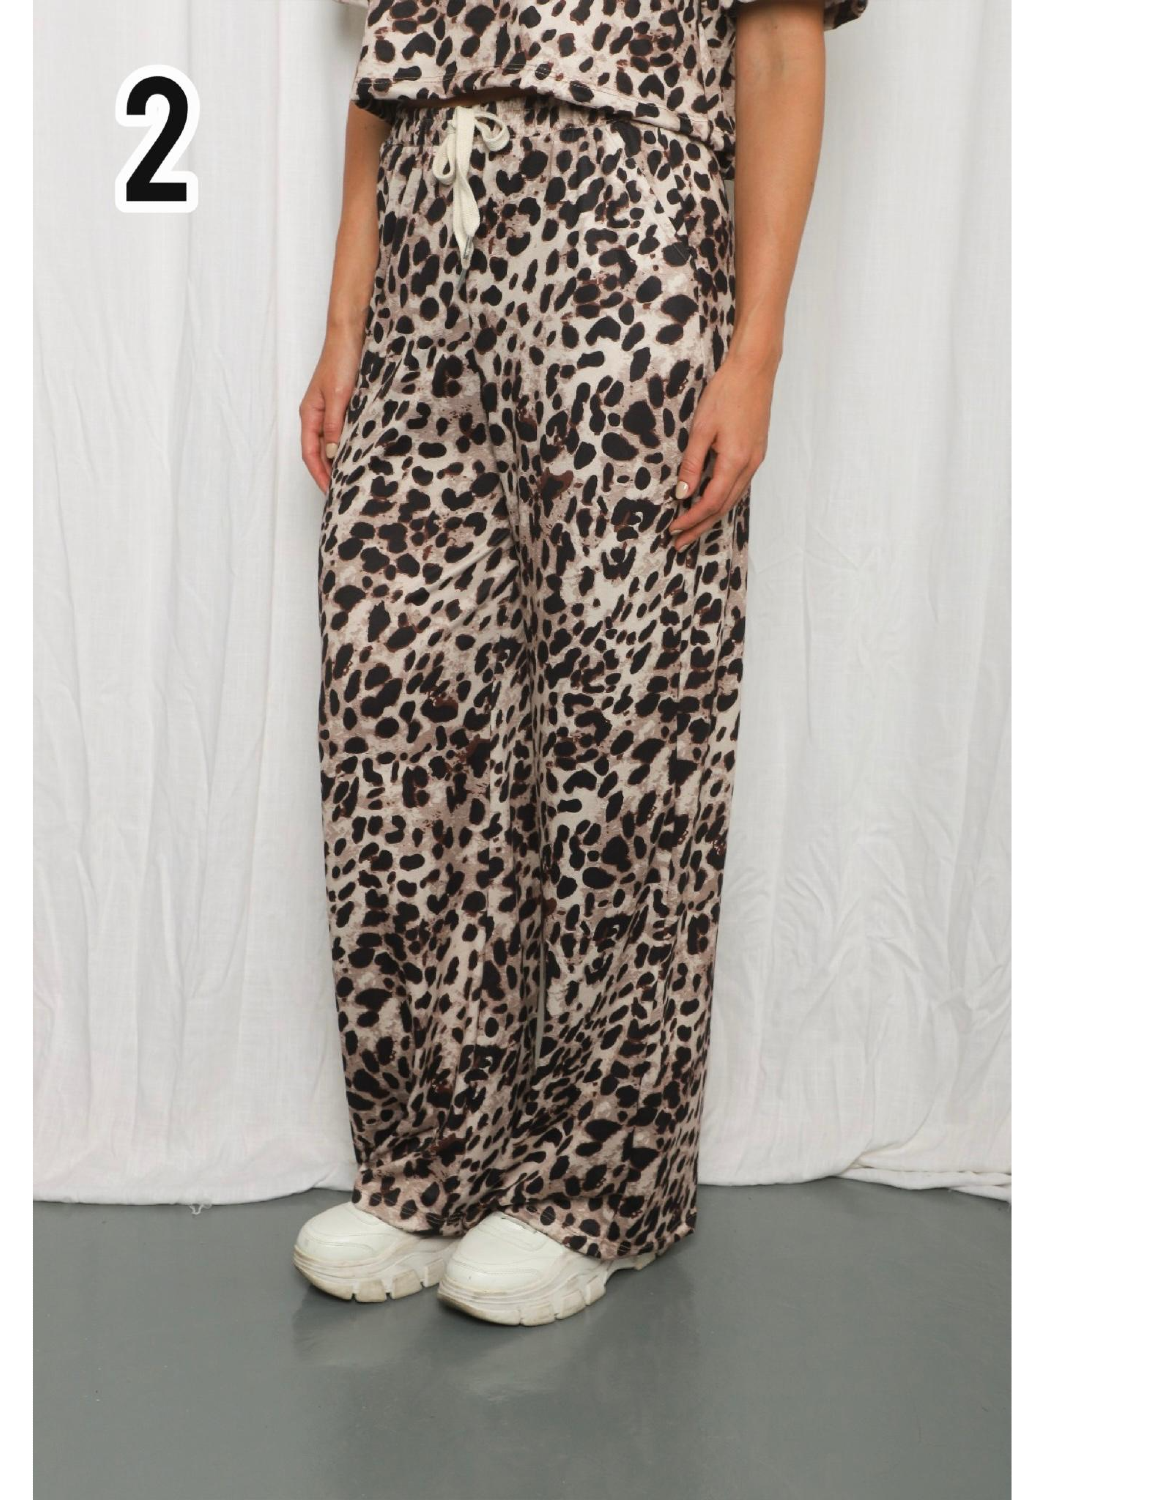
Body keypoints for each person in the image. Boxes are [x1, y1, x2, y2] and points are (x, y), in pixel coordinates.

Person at [295, 0, 864, 1327]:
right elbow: (387, 67)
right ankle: (432, 1163)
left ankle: (597, 1188)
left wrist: (754, 351)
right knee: (402, 710)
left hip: (628, 244)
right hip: (426, 269)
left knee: (623, 722)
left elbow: (782, 43)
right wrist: (345, 322)